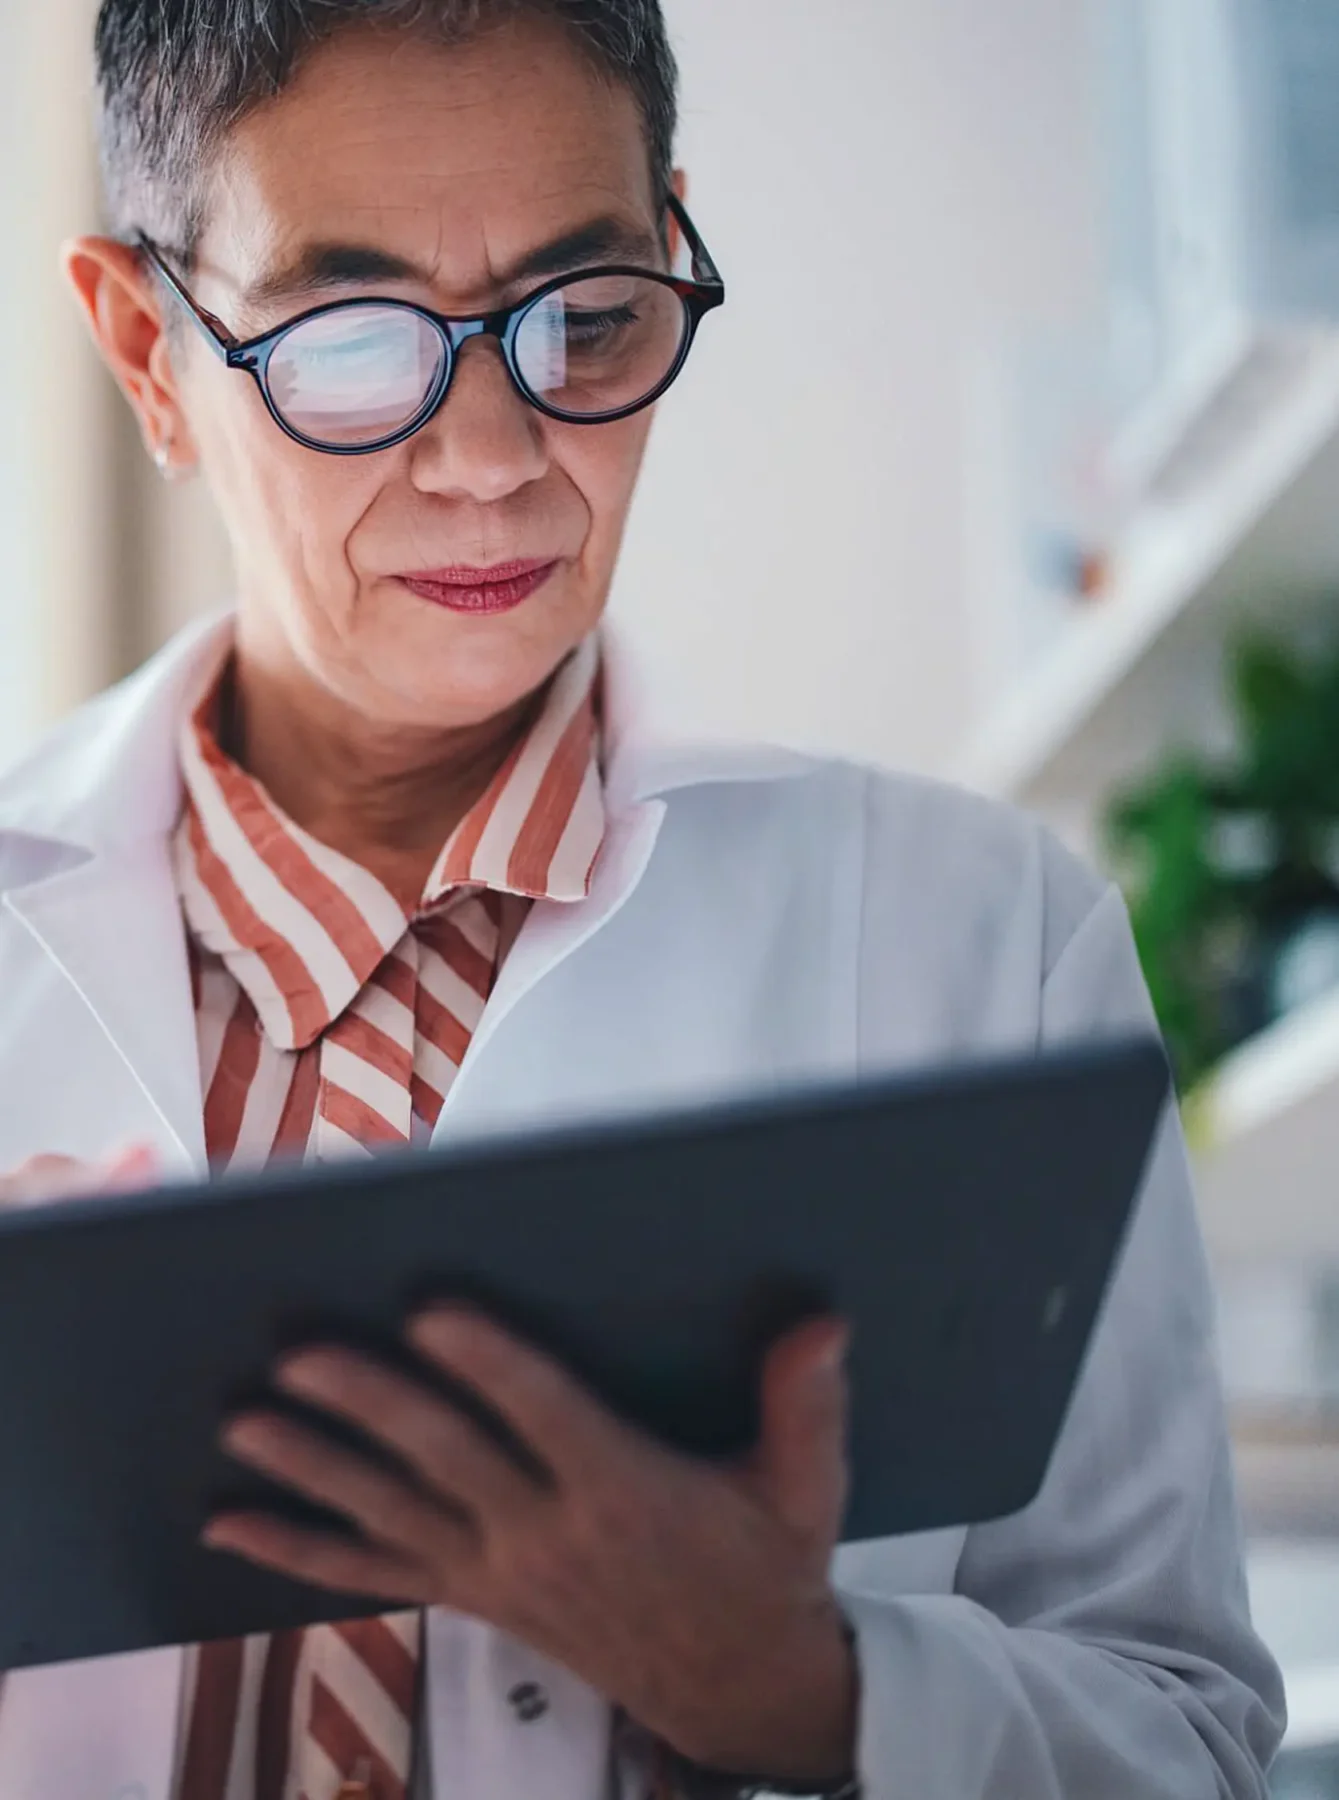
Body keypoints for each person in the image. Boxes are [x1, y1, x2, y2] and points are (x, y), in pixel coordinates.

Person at [0, 2, 1285, 1797]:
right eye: (353, 345)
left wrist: (813, 1691)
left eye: (586, 318)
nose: (492, 457)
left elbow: (1198, 1744)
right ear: (149, 351)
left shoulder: (978, 942)